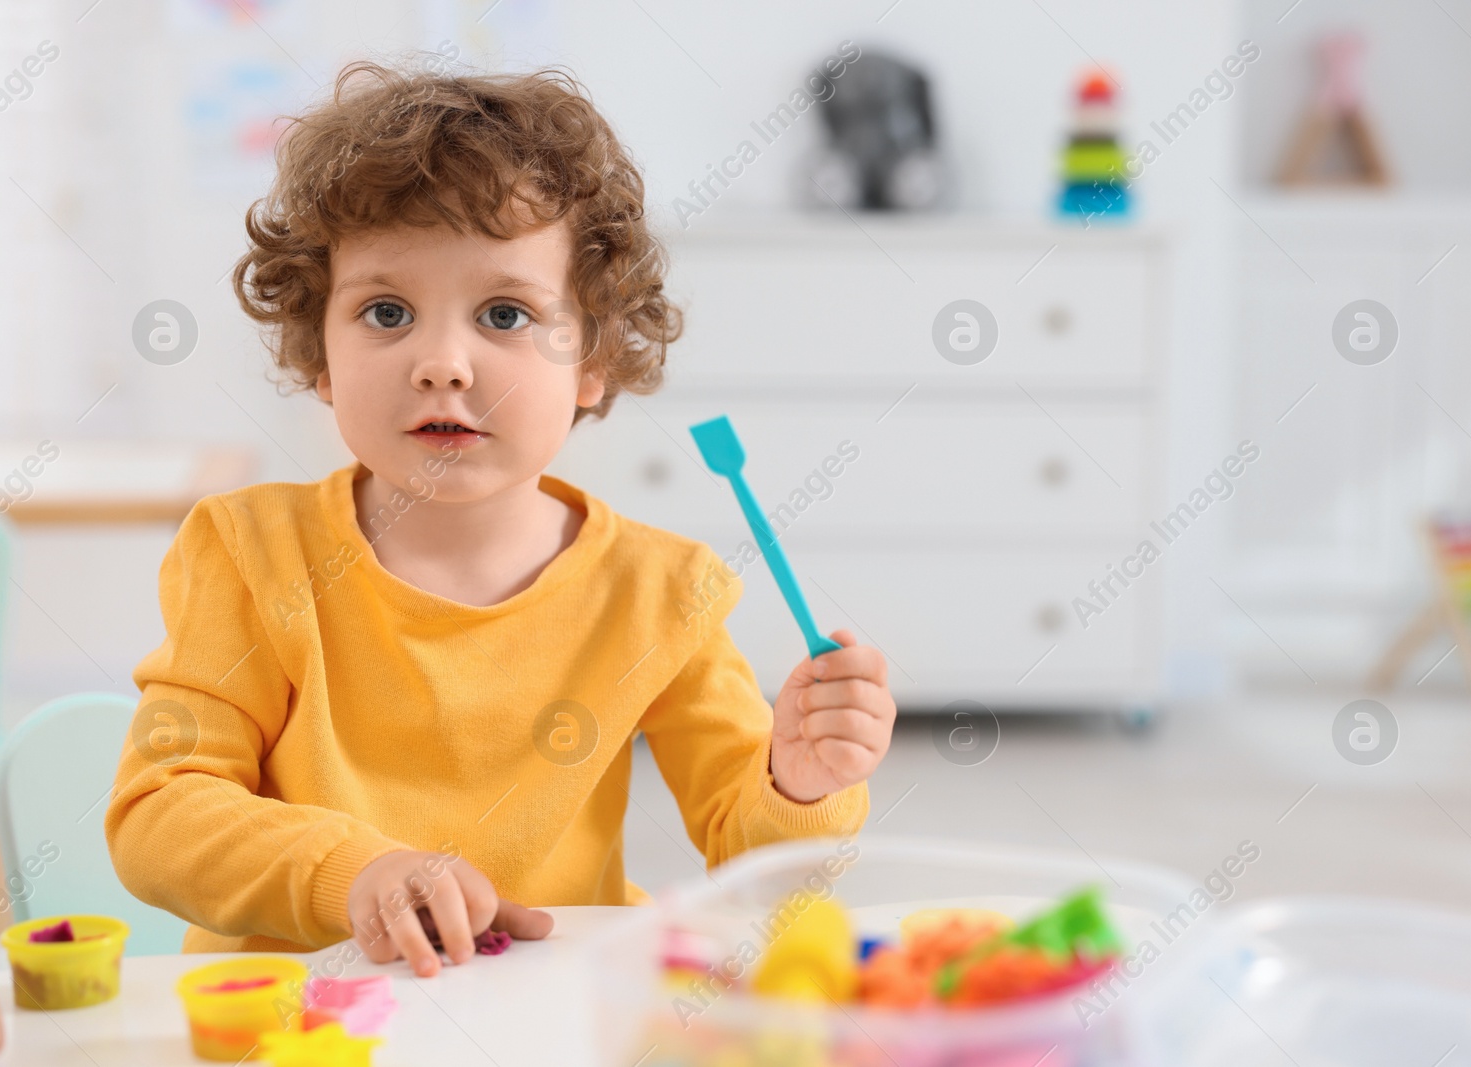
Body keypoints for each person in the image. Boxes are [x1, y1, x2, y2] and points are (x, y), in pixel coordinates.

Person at [104, 59, 897, 976]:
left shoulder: (662, 593)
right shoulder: (249, 553)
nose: (443, 362)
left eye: (505, 313)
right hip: (299, 1017)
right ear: (318, 351)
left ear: (592, 361)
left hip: (549, 1015)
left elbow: (757, 866)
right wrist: (352, 871)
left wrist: (799, 782)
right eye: (387, 310)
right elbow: (159, 813)